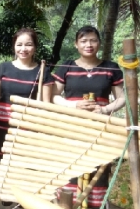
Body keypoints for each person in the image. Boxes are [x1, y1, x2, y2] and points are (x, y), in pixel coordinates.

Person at [52, 25, 125, 208]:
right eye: (84, 41)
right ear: (76, 44)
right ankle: (69, 204)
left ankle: (96, 204)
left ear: (99, 43)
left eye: (93, 40)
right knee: (70, 168)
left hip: (100, 130)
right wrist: (74, 105)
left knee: (98, 169)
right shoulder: (66, 66)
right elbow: (53, 97)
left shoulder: (111, 68)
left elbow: (122, 98)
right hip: (71, 129)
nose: (89, 44)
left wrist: (104, 110)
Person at [0, 28, 55, 206]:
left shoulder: (43, 72)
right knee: (2, 160)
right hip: (3, 125)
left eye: (28, 44)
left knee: (25, 163)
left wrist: (41, 129)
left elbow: (46, 104)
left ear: (35, 47)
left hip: (28, 127)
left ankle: (22, 199)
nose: (23, 48)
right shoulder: (3, 68)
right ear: (14, 46)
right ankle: (5, 196)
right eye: (19, 44)